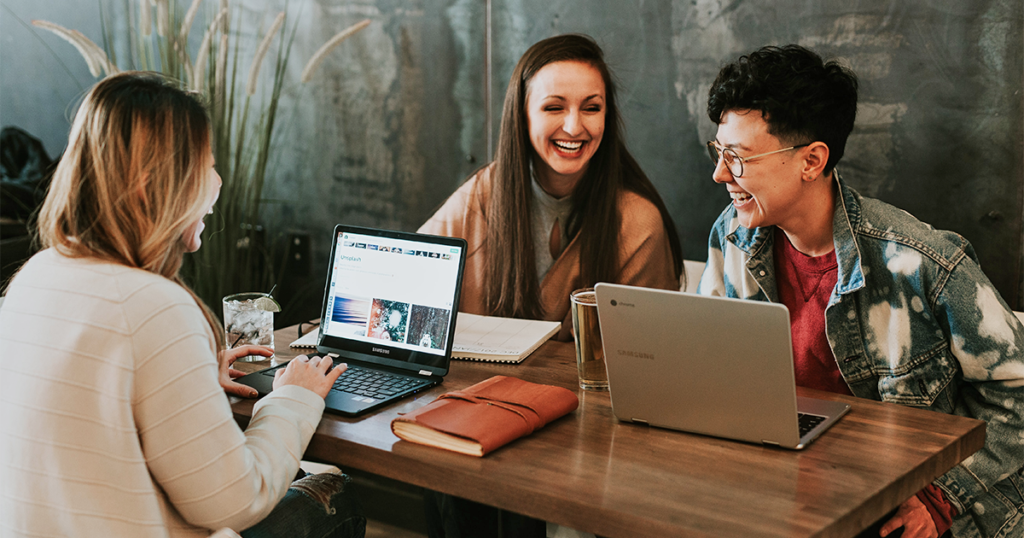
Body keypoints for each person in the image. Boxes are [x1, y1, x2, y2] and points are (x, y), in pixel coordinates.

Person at [0, 72, 365, 538]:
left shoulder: (34, 277)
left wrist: (189, 378)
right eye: (206, 166)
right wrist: (295, 397)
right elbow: (235, 503)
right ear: (152, 185)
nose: (217, 182)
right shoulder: (153, 306)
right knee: (339, 496)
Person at [698, 45, 1024, 538]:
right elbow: (711, 371)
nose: (721, 174)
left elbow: (1017, 395)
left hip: (901, 507)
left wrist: (940, 498)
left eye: (738, 158)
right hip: (787, 493)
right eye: (718, 152)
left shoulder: (919, 262)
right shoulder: (734, 236)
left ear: (812, 160)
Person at [419, 34, 683, 342]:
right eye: (554, 107)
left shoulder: (638, 223)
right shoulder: (481, 194)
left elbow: (649, 354)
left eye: (591, 108)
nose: (573, 127)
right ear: (523, 115)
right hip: (474, 388)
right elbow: (406, 278)